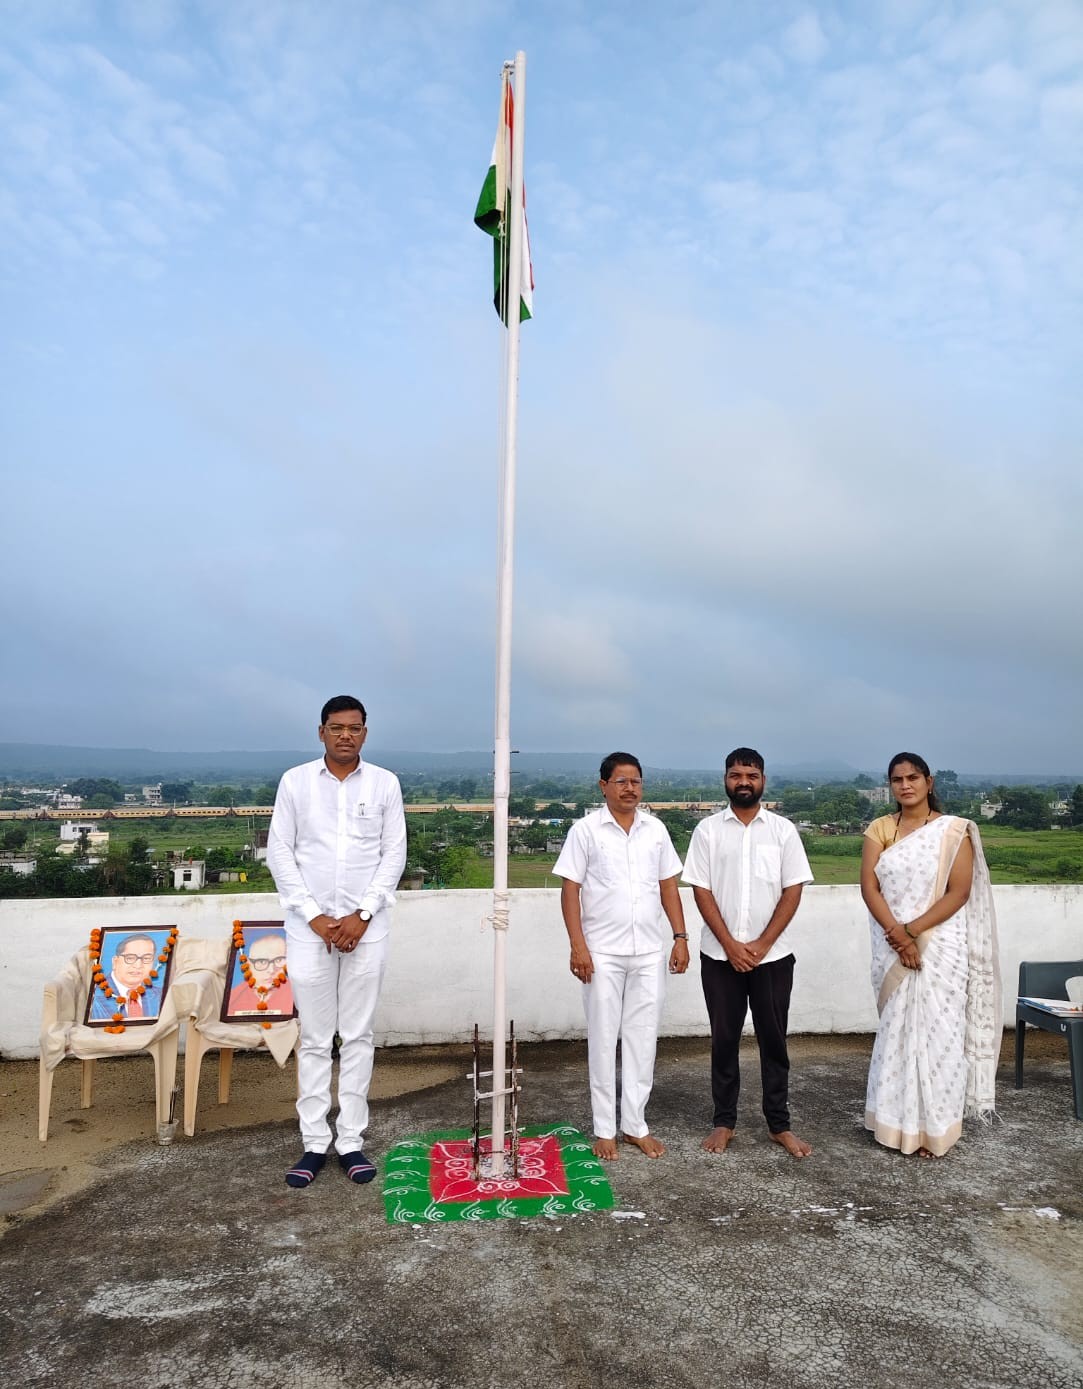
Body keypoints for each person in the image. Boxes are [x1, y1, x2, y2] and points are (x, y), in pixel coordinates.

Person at [267, 696, 407, 1188]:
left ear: (365, 732)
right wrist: (314, 916)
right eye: (337, 727)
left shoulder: (385, 783)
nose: (346, 735)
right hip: (309, 930)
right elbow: (280, 852)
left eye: (354, 727)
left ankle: (350, 1140)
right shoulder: (295, 782)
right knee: (314, 1037)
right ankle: (313, 1143)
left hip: (367, 930)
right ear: (321, 732)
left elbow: (394, 854)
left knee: (358, 1035)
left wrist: (362, 914)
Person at [861, 752, 1000, 1157]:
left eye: (913, 777)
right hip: (894, 945)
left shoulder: (953, 831)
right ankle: (894, 1125)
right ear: (890, 785)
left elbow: (959, 892)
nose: (905, 785)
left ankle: (936, 1129)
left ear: (929, 782)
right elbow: (870, 887)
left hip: (939, 947)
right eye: (897, 779)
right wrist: (900, 937)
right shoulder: (880, 828)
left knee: (941, 1035)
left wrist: (912, 932)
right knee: (897, 1034)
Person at [553, 752, 689, 1161]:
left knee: (643, 1038)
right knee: (602, 1037)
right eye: (621, 781)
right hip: (602, 953)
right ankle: (604, 1129)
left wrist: (680, 937)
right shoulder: (585, 831)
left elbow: (668, 887)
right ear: (604, 786)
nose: (630, 788)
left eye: (636, 781)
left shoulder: (655, 829)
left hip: (648, 950)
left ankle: (634, 1125)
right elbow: (570, 890)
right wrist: (578, 945)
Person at [682, 748, 814, 1158]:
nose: (744, 782)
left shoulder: (783, 831)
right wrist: (729, 944)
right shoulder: (707, 830)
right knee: (724, 1041)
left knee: (774, 1042)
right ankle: (724, 1122)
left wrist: (761, 944)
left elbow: (793, 890)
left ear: (763, 780)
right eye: (736, 775)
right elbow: (701, 890)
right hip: (719, 957)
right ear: (725, 779)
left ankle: (779, 1125)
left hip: (772, 958)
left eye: (751, 775)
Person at [89, 933, 165, 1021]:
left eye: (146, 958)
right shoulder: (93, 996)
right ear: (115, 962)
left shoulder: (161, 995)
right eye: (130, 958)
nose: (138, 965)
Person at [226, 932, 295, 1017]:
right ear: (249, 964)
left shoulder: (297, 993)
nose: (271, 970)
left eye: (279, 960)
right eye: (262, 961)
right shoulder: (234, 998)